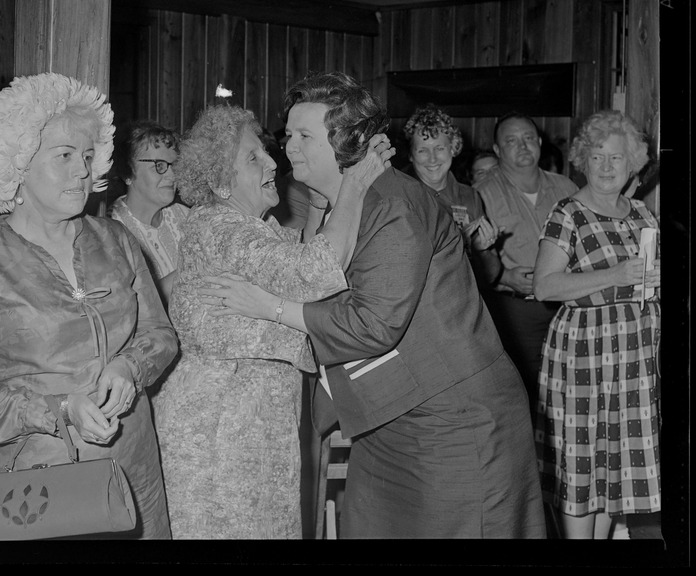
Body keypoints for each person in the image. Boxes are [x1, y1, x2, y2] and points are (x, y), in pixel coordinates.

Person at [202, 72, 545, 539]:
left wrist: (270, 306)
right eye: (288, 134)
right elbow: (314, 272)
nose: (288, 146)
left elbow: (373, 324)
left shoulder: (395, 203)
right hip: (386, 415)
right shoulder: (331, 200)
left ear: (348, 142)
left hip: (453, 418)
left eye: (305, 135)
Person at [0, 73, 178, 539]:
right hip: (39, 487)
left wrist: (129, 367)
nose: (83, 169)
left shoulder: (116, 239)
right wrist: (59, 408)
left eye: (88, 156)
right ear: (18, 162)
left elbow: (160, 334)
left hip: (135, 474)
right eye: (65, 156)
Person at [154, 102, 393, 539]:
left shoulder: (249, 226)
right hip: (219, 426)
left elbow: (297, 254)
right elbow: (315, 271)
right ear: (222, 185)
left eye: (266, 151)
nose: (272, 161)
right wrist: (355, 184)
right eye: (253, 157)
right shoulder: (223, 229)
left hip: (251, 416)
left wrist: (323, 204)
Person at [532, 110, 661, 539]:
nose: (607, 167)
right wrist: (614, 276)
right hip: (583, 355)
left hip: (635, 359)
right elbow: (545, 286)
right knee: (581, 460)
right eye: (598, 157)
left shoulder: (642, 213)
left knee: (612, 467)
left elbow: (646, 278)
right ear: (583, 160)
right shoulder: (568, 212)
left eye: (617, 159)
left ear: (633, 166)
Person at [474, 112, 578, 410]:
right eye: (511, 140)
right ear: (497, 150)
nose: (522, 146)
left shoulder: (566, 188)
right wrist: (504, 275)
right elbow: (466, 258)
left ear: (540, 142)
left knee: (570, 391)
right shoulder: (480, 194)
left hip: (566, 307)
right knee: (526, 397)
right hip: (515, 312)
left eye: (528, 138)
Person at [402, 104, 499, 273]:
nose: (432, 159)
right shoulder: (399, 196)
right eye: (422, 150)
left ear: (453, 148)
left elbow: (492, 275)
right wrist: (463, 242)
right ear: (411, 155)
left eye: (439, 148)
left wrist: (480, 250)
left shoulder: (469, 195)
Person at [107, 120, 189, 304]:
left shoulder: (184, 216)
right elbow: (132, 307)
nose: (172, 175)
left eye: (174, 165)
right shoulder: (111, 230)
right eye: (159, 165)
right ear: (127, 172)